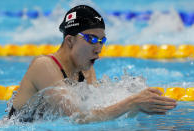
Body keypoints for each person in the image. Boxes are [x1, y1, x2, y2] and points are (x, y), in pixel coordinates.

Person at [9, 5, 177, 123]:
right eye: (91, 39)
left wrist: (140, 106)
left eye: (102, 40)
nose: (99, 49)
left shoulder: (86, 71)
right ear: (70, 40)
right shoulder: (44, 66)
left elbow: (98, 114)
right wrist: (131, 103)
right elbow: (77, 118)